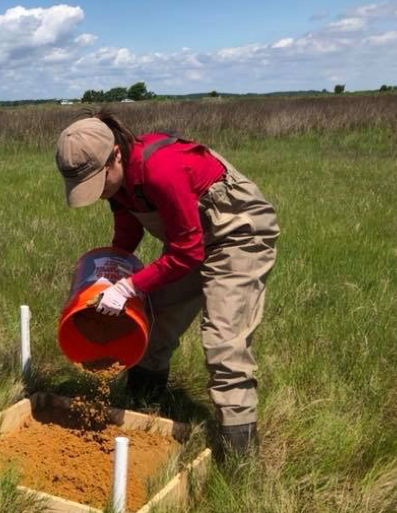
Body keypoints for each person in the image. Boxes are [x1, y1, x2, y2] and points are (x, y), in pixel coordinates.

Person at [54, 113, 279, 454]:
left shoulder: (160, 169)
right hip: (189, 238)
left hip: (237, 235)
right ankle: (144, 406)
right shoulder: (118, 184)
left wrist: (128, 287)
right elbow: (128, 232)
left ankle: (239, 458)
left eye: (100, 183)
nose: (99, 194)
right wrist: (108, 275)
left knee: (224, 339)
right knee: (155, 316)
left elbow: (187, 253)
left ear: (116, 155)